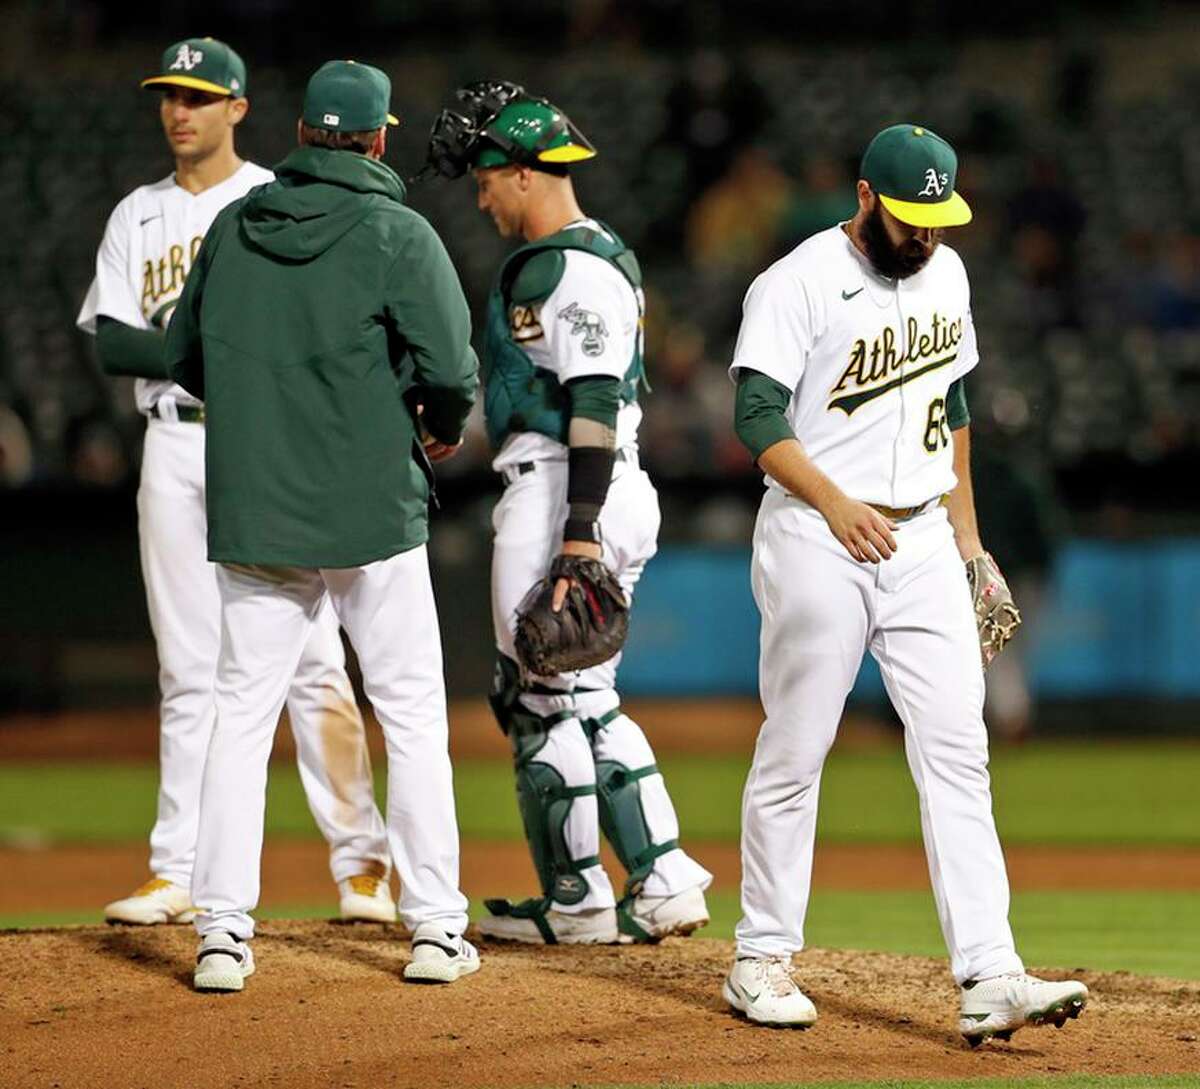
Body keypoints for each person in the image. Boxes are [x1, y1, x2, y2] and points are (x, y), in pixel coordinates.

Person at [724, 124, 1088, 1044]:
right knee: (799, 746)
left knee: (959, 750)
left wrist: (970, 544)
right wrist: (835, 501)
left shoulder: (949, 273)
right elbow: (755, 414)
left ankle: (991, 972)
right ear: (864, 196)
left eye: (939, 216)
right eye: (911, 215)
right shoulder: (797, 281)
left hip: (924, 536)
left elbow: (952, 406)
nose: (927, 233)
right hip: (817, 532)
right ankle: (760, 955)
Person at [165, 58, 480, 992]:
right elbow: (452, 370)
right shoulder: (397, 231)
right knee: (414, 716)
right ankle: (433, 929)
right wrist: (437, 426)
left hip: (258, 512)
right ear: (380, 140)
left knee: (238, 716)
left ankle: (221, 931)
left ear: (301, 133)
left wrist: (268, 419)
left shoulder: (232, 225)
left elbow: (184, 357)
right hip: (373, 515)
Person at [77, 38, 394, 929]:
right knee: (188, 668)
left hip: (264, 445)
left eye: (199, 96)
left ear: (239, 108)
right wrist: (226, 346)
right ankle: (175, 867)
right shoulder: (134, 215)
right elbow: (113, 344)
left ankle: (362, 864)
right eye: (169, 96)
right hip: (173, 448)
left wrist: (195, 347)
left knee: (316, 660)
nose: (180, 110)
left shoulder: (269, 200)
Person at [424, 82, 711, 944]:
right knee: (586, 695)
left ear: (522, 173)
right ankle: (660, 880)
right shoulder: (601, 254)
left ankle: (579, 899)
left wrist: (575, 532)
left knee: (535, 697)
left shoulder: (565, 267)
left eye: (485, 178)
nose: (479, 196)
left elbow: (587, 398)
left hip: (566, 491)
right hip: (599, 481)